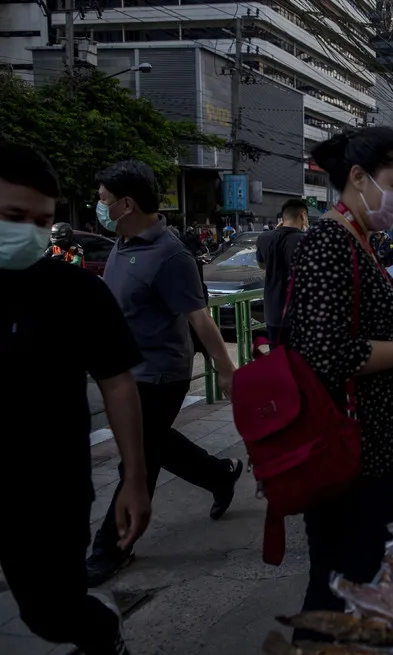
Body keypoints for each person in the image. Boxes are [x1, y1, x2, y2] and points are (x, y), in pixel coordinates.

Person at [285, 128, 393, 639]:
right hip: (350, 453)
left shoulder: (363, 242)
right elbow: (331, 352)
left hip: (381, 446)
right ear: (360, 178)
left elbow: (370, 328)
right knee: (340, 585)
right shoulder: (328, 243)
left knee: (367, 581)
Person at [0, 144, 151, 655]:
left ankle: (101, 631)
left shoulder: (75, 292)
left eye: (40, 221)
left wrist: (134, 480)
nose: (27, 231)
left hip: (50, 488)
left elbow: (118, 382)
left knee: (51, 613)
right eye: (13, 216)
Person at [86, 160, 244, 586]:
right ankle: (220, 474)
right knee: (156, 444)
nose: (98, 207)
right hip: (126, 370)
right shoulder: (122, 243)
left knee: (138, 460)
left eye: (103, 200)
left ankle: (110, 548)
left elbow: (200, 318)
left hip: (160, 374)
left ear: (126, 204)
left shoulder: (171, 255)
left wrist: (226, 370)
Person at [256, 198, 309, 345]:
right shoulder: (307, 240)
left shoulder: (264, 238)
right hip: (299, 316)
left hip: (272, 313)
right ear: (303, 216)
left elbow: (262, 265)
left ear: (283, 218)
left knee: (278, 356)